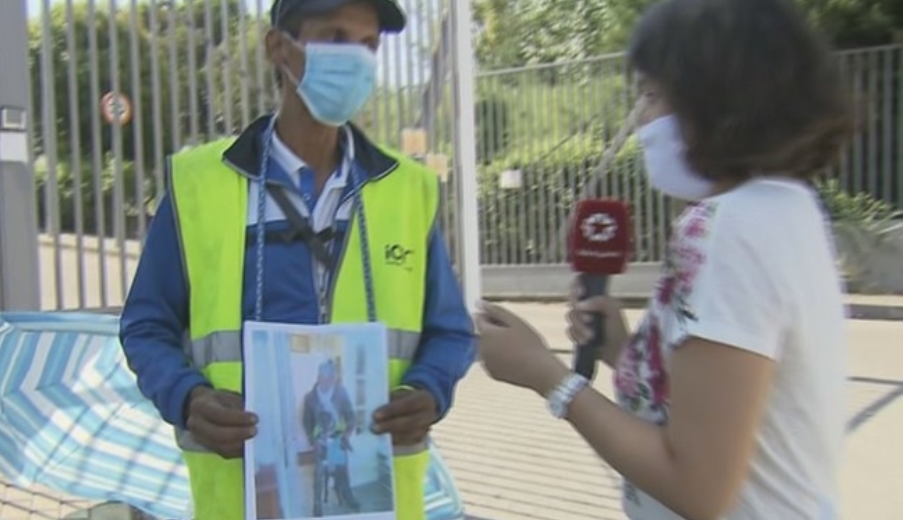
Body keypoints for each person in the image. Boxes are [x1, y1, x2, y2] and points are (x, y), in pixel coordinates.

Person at [474, 0, 855, 519]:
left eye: (652, 96)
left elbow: (697, 487)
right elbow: (732, 405)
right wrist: (626, 350)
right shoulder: (787, 207)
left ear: (720, 100)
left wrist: (546, 374)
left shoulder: (726, 229)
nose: (642, 120)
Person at [118, 0, 477, 517]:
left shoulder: (409, 188)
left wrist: (429, 389)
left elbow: (451, 331)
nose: (354, 59)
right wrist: (188, 398)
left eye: (368, 44)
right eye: (333, 37)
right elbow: (146, 324)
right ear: (277, 47)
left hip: (377, 499)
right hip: (241, 500)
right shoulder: (199, 184)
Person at [303, 360, 360, 514]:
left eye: (331, 378)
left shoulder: (341, 393)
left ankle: (347, 496)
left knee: (342, 471)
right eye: (325, 378)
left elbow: (351, 416)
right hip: (320, 441)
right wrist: (312, 440)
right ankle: (317, 505)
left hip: (337, 439)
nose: (328, 381)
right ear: (319, 377)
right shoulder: (310, 397)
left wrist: (347, 435)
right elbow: (306, 422)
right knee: (319, 475)